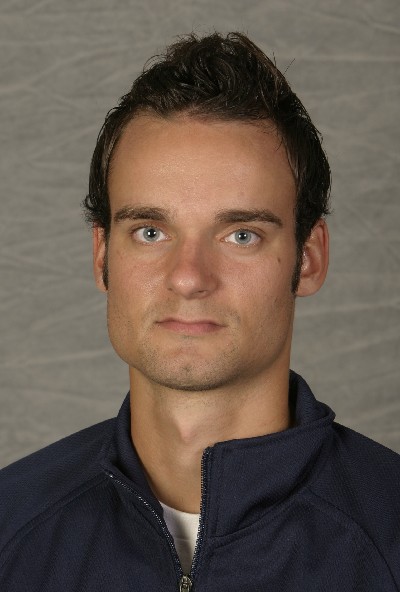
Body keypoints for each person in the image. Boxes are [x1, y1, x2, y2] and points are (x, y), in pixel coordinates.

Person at [0, 31, 399, 592]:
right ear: (102, 257)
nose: (189, 277)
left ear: (308, 259)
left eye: (241, 235)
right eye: (150, 231)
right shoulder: (11, 528)